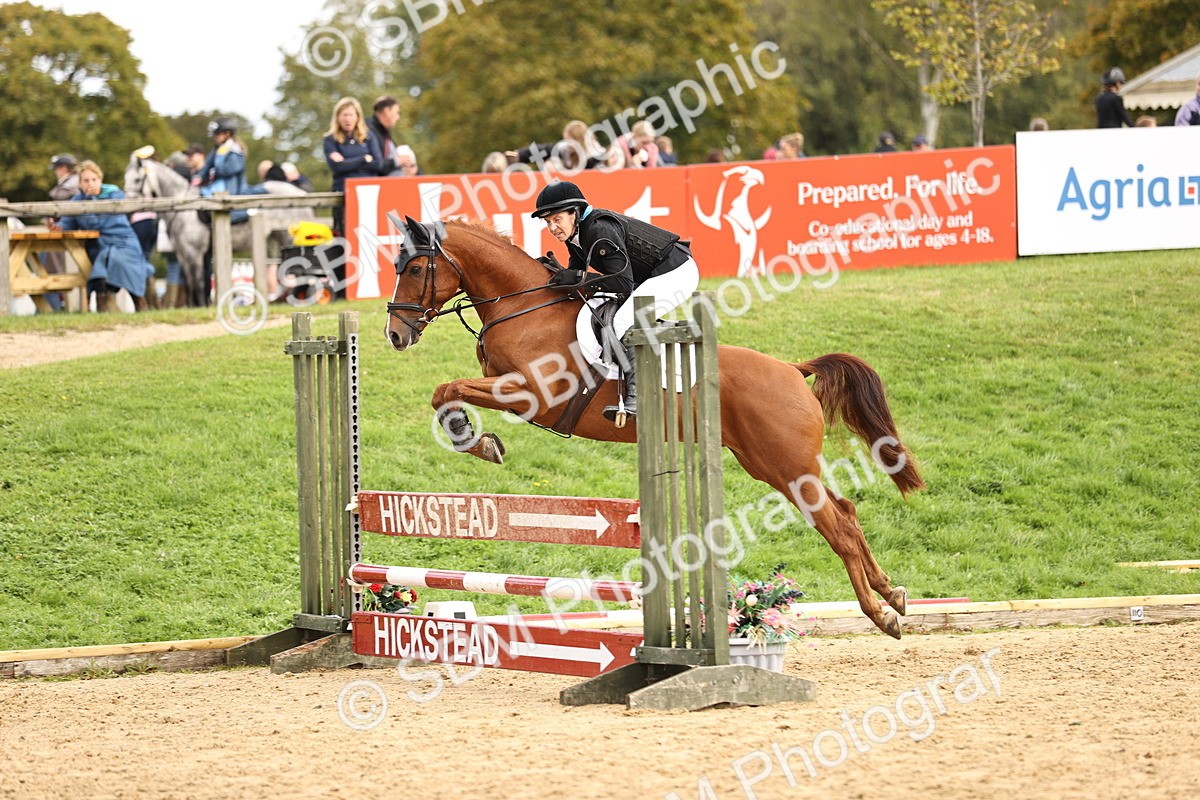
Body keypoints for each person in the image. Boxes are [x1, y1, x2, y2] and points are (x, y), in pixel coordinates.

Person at [531, 181, 700, 423]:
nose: (552, 228)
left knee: (622, 322)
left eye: (557, 219)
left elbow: (621, 283)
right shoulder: (575, 234)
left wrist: (577, 278)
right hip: (649, 276)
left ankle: (639, 395)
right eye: (547, 222)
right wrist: (553, 275)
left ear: (575, 213)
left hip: (675, 272)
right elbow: (577, 277)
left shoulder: (599, 230)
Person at [58, 160, 154, 312]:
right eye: (86, 180)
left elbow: (98, 223)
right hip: (99, 244)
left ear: (100, 180)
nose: (90, 184)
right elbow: (67, 223)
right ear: (80, 183)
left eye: (93, 179)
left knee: (120, 261)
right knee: (102, 260)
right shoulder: (76, 201)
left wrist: (90, 199)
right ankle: (102, 306)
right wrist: (57, 227)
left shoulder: (114, 196)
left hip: (123, 241)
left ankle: (139, 303)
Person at [324, 96, 382, 235]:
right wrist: (364, 159)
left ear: (357, 116)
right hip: (344, 193)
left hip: (369, 192)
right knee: (347, 232)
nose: (348, 119)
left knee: (369, 230)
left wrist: (347, 162)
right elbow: (337, 167)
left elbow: (378, 164)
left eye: (351, 115)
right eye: (344, 115)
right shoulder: (330, 139)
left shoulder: (369, 137)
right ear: (338, 117)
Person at [196, 117, 251, 223]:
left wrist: (214, 172)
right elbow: (207, 165)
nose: (215, 137)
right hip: (217, 185)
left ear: (227, 134)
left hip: (231, 189)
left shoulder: (235, 151)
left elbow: (229, 170)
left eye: (217, 134)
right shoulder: (218, 148)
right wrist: (199, 176)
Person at [366, 95, 403, 176]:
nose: (398, 117)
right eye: (397, 113)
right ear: (386, 111)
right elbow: (374, 164)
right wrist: (397, 161)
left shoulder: (385, 131)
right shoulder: (368, 131)